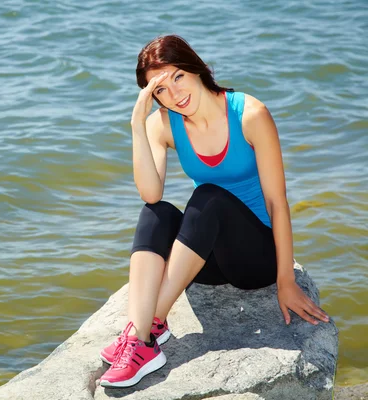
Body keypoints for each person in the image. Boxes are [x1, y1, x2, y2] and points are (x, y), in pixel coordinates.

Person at [98, 35, 330, 389]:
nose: (174, 94)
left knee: (209, 196)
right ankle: (143, 335)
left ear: (198, 68)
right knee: (155, 211)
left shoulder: (249, 114)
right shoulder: (162, 123)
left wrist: (286, 280)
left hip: (255, 259)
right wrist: (137, 124)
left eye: (178, 77)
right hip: (206, 261)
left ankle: (143, 334)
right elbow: (150, 191)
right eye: (159, 90)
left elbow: (276, 202)